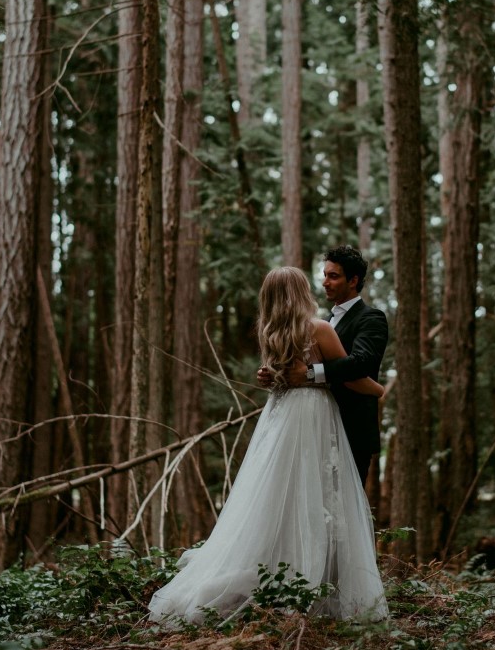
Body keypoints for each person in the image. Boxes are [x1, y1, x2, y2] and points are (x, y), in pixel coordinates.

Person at [148, 266, 388, 625]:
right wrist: (378, 390)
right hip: (313, 416)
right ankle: (315, 582)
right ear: (300, 290)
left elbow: (278, 374)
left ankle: (280, 575)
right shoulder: (318, 328)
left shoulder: (269, 330)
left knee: (279, 495)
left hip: (281, 415)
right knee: (318, 495)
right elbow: (351, 377)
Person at [259, 245, 388, 486]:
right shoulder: (320, 323)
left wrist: (309, 373)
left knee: (346, 506)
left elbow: (360, 363)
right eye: (324, 275)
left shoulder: (371, 318)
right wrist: (274, 374)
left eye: (333, 276)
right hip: (312, 425)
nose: (325, 282)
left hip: (351, 427)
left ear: (353, 281)